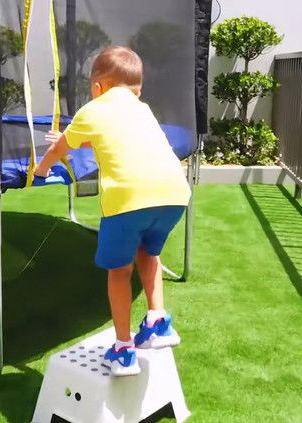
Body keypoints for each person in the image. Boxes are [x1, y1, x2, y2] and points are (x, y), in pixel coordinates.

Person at [33, 46, 191, 376]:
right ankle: (158, 321)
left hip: (128, 200)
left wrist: (42, 169)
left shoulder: (92, 109)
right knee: (149, 253)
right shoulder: (142, 110)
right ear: (137, 89)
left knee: (119, 271)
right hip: (175, 195)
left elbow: (61, 147)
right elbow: (108, 136)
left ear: (98, 86)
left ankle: (122, 350)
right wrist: (72, 138)